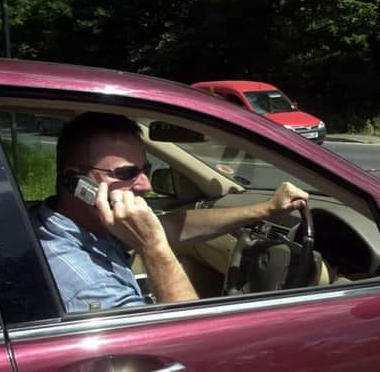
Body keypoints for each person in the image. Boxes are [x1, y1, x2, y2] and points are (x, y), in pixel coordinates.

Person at [32, 112, 308, 313]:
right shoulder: (90, 285)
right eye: (127, 173)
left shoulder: (69, 222)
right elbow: (193, 346)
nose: (146, 185)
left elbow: (174, 226)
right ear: (75, 182)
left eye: (146, 170)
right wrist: (153, 249)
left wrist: (266, 209)